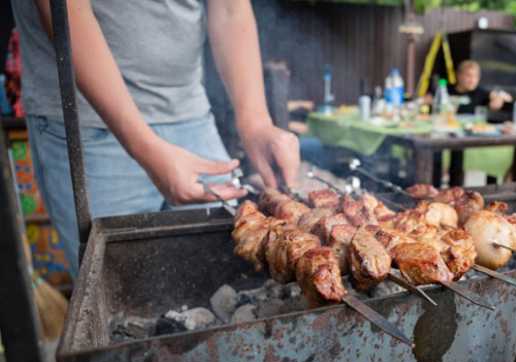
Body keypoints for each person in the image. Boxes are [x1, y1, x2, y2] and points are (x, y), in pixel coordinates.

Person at [11, 0, 300, 274]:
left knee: (227, 280)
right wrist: (145, 147)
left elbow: (229, 7)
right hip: (89, 126)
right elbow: (63, 9)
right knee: (124, 301)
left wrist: (256, 124)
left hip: (191, 114)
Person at [447, 60, 512, 114]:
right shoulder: (445, 91)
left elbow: (506, 97)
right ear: (459, 75)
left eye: (475, 76)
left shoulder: (480, 93)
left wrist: (498, 98)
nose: (472, 80)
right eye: (468, 75)